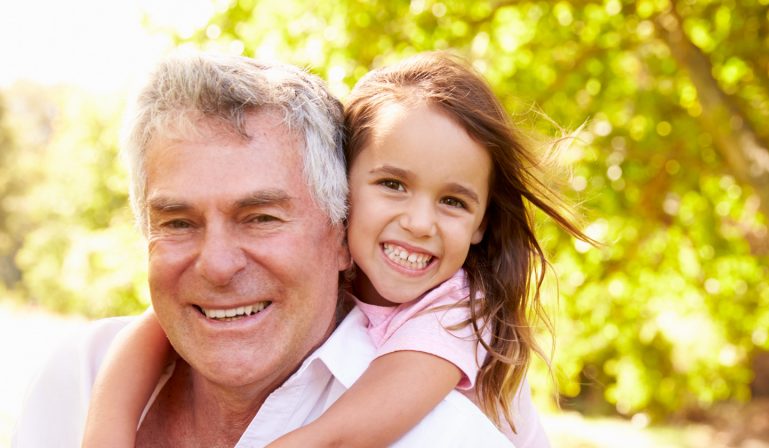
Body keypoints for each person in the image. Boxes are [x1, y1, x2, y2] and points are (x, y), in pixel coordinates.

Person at [80, 52, 594, 447]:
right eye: (393, 184)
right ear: (345, 198)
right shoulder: (335, 268)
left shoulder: (457, 311)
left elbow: (356, 429)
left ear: (482, 223)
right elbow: (154, 328)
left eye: (454, 201)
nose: (418, 223)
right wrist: (106, 430)